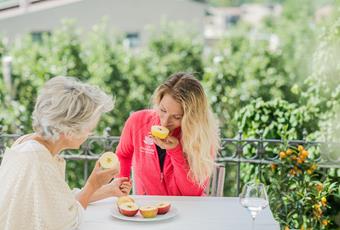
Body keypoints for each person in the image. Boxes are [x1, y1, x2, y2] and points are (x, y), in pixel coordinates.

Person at [0, 76, 131, 230]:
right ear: (69, 130)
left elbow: (57, 205)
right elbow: (68, 223)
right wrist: (92, 184)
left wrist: (105, 190)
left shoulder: (29, 144)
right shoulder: (39, 161)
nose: (91, 133)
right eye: (89, 128)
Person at [116, 72, 220, 196]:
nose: (165, 122)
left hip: (185, 210)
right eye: (163, 110)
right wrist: (121, 186)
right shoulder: (137, 122)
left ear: (192, 118)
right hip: (148, 209)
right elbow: (123, 155)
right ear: (158, 102)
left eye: (177, 117)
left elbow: (191, 193)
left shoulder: (200, 138)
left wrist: (176, 151)